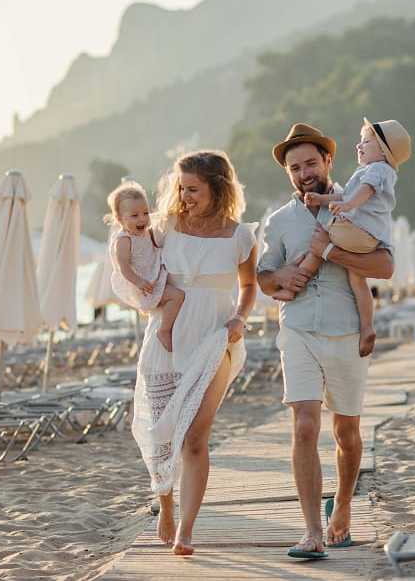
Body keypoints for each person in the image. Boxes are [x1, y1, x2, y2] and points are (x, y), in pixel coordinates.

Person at [256, 123, 394, 559]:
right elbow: (263, 275)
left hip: (348, 331)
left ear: (328, 161)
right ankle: (312, 531)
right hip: (297, 329)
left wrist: (331, 252)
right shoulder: (278, 221)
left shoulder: (360, 204)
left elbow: (385, 265)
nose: (303, 173)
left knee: (347, 433)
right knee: (304, 426)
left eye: (310, 163)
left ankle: (345, 507)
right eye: (294, 167)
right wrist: (279, 277)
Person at [129, 150, 258, 556]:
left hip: (215, 337)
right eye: (181, 188)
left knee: (196, 436)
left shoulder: (241, 236)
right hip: (166, 337)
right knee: (163, 434)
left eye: (193, 189)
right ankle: (165, 506)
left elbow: (249, 286)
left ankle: (186, 530)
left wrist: (240, 318)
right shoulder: (165, 226)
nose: (184, 196)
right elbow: (133, 255)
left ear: (218, 188)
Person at [290, 118, 411, 356]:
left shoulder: (378, 170)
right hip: (365, 236)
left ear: (384, 152)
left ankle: (299, 275)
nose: (359, 145)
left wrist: (347, 207)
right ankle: (367, 327)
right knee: (357, 281)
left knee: (323, 234)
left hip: (361, 233)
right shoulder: (371, 170)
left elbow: (363, 193)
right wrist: (321, 199)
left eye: (366, 141)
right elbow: (344, 197)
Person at [105, 181, 186, 351]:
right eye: (134, 216)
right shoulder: (124, 240)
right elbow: (123, 268)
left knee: (178, 294)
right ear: (120, 219)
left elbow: (157, 241)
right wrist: (139, 282)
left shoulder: (146, 231)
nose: (142, 218)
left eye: (145, 213)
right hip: (143, 285)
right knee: (177, 296)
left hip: (154, 276)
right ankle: (164, 331)